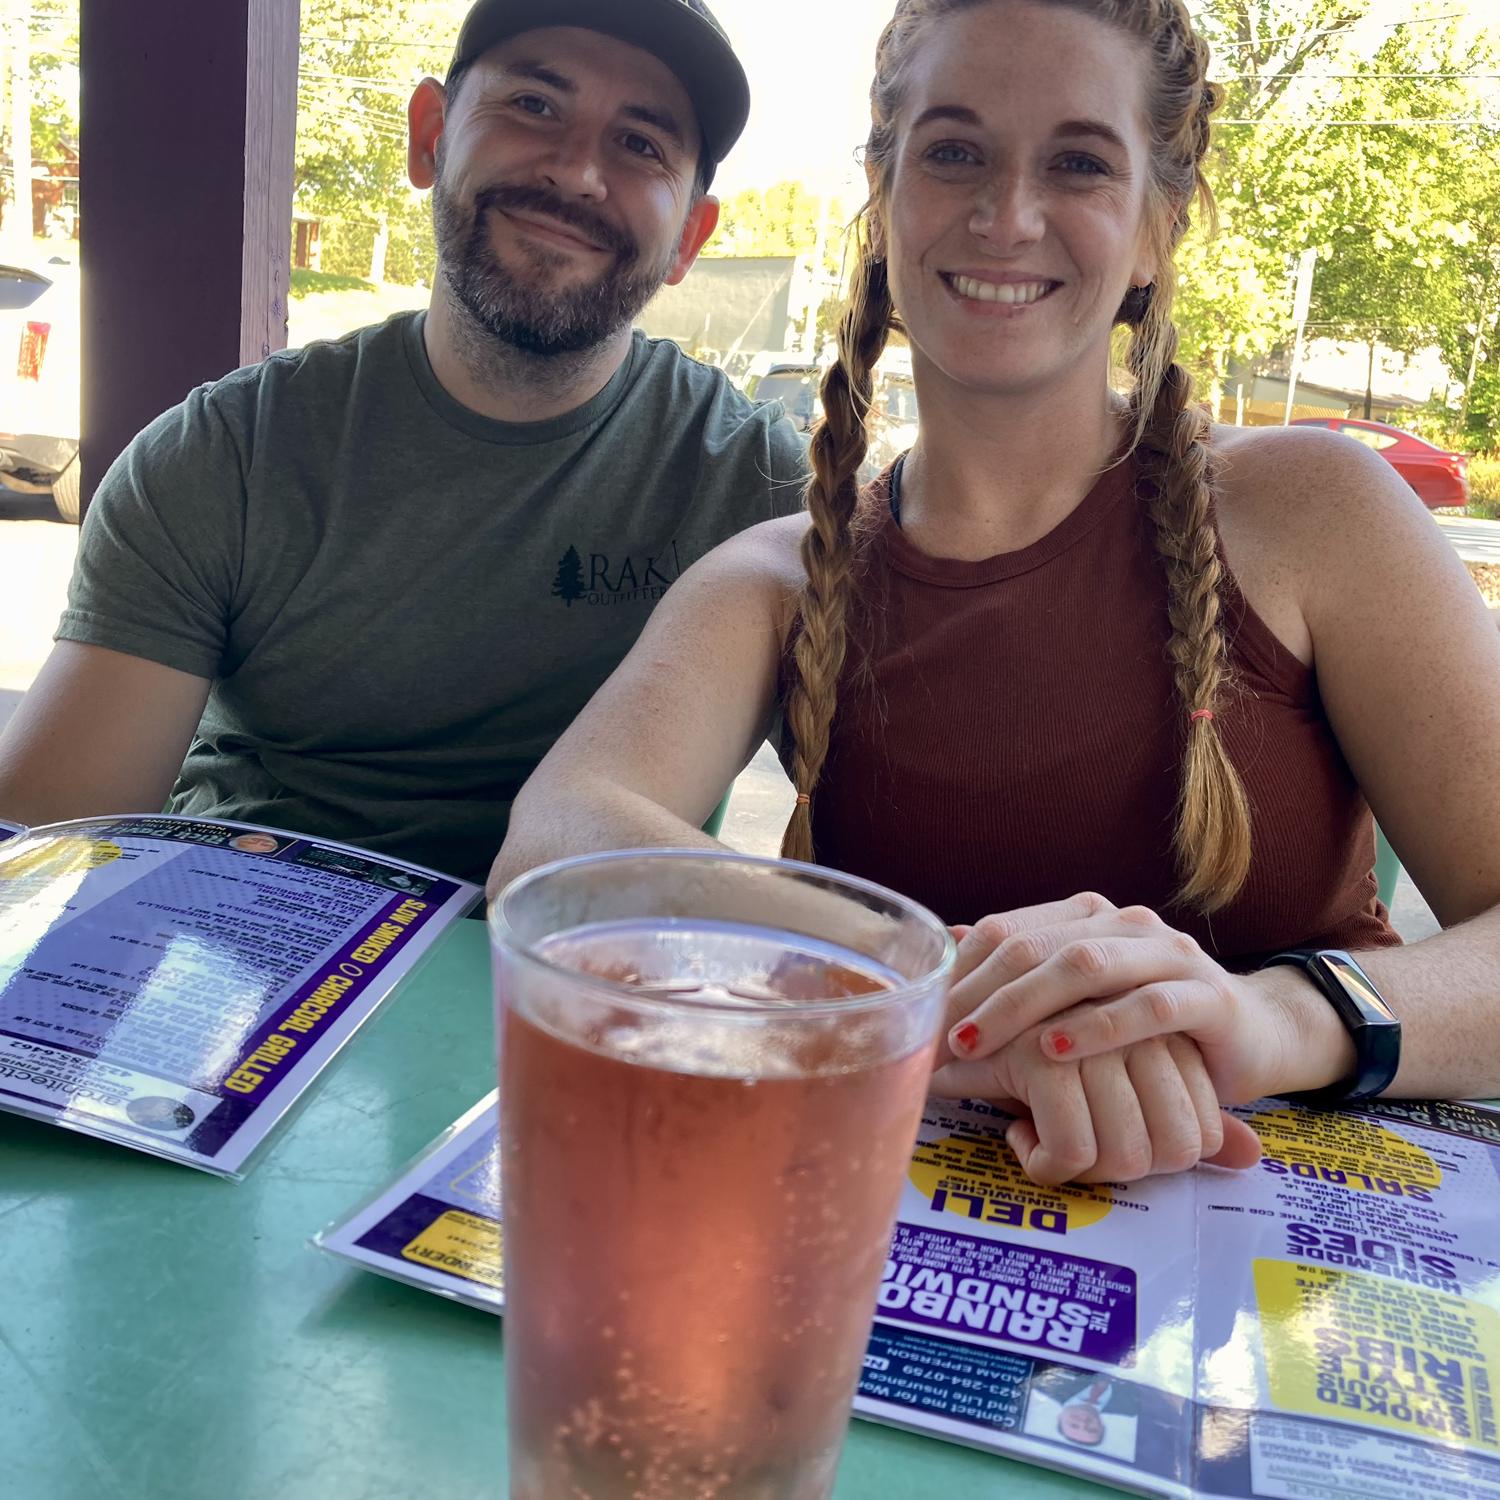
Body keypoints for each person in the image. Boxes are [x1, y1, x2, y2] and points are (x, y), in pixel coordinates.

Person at [492, 0, 1500, 1184]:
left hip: (1302, 1290)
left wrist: (1263, 1021)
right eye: (954, 151)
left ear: (1157, 228)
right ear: (884, 194)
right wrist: (941, 983)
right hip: (907, 1272)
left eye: (1078, 163)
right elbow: (557, 844)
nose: (1005, 216)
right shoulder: (781, 580)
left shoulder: (1309, 508)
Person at [0, 0, 806, 884]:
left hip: (568, 988)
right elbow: (49, 854)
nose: (578, 172)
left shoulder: (754, 485)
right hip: (239, 954)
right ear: (431, 137)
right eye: (534, 105)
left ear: (691, 235)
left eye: (641, 144)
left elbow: (911, 804)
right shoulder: (226, 454)